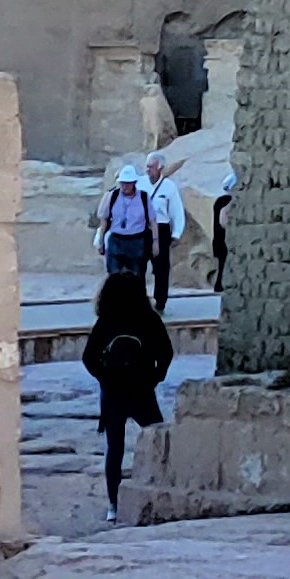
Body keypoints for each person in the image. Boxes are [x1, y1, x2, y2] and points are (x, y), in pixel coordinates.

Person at [79, 271, 173, 523]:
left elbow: (88, 357)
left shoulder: (106, 321)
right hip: (142, 390)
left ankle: (113, 503)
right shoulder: (149, 319)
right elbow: (166, 353)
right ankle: (163, 489)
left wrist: (105, 378)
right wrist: (155, 377)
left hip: (113, 393)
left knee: (115, 449)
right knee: (159, 440)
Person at [97, 169, 155, 287]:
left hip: (136, 241)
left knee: (136, 276)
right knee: (113, 276)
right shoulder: (112, 196)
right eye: (122, 183)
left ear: (134, 183)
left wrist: (155, 242)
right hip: (116, 240)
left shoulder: (143, 197)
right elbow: (104, 220)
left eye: (128, 183)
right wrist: (100, 241)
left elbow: (152, 221)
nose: (125, 186)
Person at [144, 156, 187, 313]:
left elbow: (176, 211)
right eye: (147, 166)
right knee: (139, 267)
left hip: (161, 228)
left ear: (160, 167)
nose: (148, 170)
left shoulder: (169, 187)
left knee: (161, 268)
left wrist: (176, 233)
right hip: (142, 228)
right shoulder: (140, 183)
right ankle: (140, 302)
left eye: (151, 167)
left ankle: (160, 302)